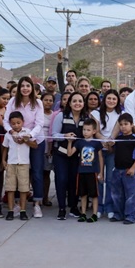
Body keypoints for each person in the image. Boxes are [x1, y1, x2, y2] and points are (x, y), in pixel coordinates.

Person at [3, 76, 46, 218]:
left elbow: (39, 123)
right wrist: (13, 133)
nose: (25, 88)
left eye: (28, 86)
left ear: (32, 88)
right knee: (17, 172)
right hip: (16, 140)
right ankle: (16, 205)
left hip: (35, 141)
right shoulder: (12, 101)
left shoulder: (38, 102)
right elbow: (6, 121)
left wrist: (28, 136)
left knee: (37, 172)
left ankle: (37, 204)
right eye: (23, 86)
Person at [52, 92, 89, 220]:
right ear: (69, 103)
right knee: (61, 180)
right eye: (74, 101)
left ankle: (73, 207)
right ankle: (62, 208)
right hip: (61, 154)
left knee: (75, 181)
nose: (77, 103)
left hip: (77, 156)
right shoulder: (61, 116)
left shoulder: (86, 118)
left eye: (80, 101)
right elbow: (54, 135)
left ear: (84, 104)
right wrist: (64, 136)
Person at [109, 113, 135, 224]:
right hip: (117, 170)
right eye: (121, 124)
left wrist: (133, 168)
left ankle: (131, 216)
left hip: (129, 171)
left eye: (126, 124)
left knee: (130, 195)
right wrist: (109, 145)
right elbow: (112, 151)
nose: (123, 126)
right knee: (116, 194)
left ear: (132, 125)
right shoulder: (118, 139)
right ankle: (118, 214)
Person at [91, 89, 121, 219]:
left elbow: (116, 131)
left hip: (112, 150)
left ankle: (109, 206)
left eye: (114, 99)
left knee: (110, 180)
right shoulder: (95, 113)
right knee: (99, 178)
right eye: (109, 98)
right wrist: (103, 140)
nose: (111, 101)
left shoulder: (120, 114)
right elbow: (95, 130)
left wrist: (110, 141)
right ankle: (99, 207)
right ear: (104, 99)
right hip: (98, 150)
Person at [67, 119, 104, 223]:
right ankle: (83, 213)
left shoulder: (97, 143)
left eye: (88, 130)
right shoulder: (79, 142)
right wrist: (70, 142)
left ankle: (94, 214)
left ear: (94, 131)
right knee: (83, 194)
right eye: (84, 129)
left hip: (93, 172)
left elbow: (101, 157)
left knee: (94, 194)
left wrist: (101, 172)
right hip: (81, 171)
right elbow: (69, 154)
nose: (85, 132)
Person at [2, 111, 37, 221]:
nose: (16, 125)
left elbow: (35, 145)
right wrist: (3, 160)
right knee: (10, 188)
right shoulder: (8, 134)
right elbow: (5, 147)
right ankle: (11, 211)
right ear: (10, 124)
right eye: (13, 123)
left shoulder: (28, 132)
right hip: (11, 163)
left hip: (23, 164)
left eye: (18, 123)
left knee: (23, 189)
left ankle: (23, 210)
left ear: (23, 122)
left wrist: (26, 141)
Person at [41, 92, 55, 207]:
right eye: (46, 100)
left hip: (48, 148)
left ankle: (45, 198)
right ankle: (37, 197)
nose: (48, 102)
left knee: (46, 173)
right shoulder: (38, 114)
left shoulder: (54, 115)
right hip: (37, 146)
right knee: (34, 173)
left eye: (50, 100)